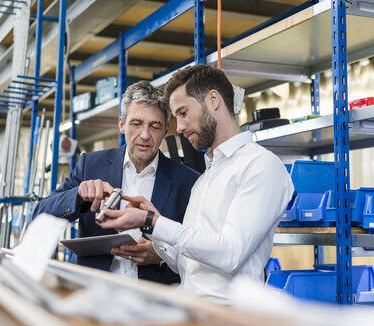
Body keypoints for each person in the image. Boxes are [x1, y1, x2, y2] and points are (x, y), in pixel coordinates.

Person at [97, 65, 294, 303]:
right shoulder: (205, 178)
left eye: (183, 112)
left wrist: (154, 222)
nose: (178, 128)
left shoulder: (260, 166)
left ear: (213, 99)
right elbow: (186, 265)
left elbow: (231, 253)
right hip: (193, 312)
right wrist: (153, 227)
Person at [33, 81, 200, 284]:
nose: (145, 135)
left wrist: (162, 257)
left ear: (166, 131)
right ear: (122, 124)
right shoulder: (90, 165)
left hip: (152, 298)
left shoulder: (188, 181)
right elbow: (40, 214)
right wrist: (77, 195)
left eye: (154, 126)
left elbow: (199, 252)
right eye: (136, 124)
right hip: (91, 292)